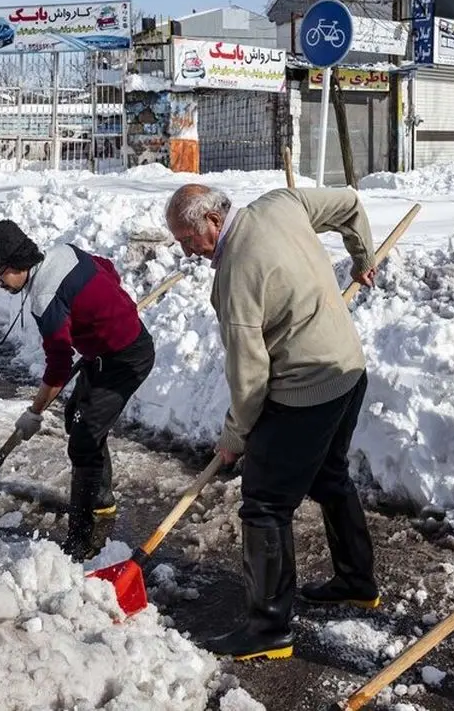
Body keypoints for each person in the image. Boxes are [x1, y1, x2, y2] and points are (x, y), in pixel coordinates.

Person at [163, 184, 380, 662]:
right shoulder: (282, 204)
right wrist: (361, 253)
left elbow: (250, 376)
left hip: (304, 393)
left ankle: (268, 629)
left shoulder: (237, 275)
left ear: (213, 223)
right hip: (347, 372)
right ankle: (357, 580)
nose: (188, 251)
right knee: (328, 476)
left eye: (186, 239)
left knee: (263, 503)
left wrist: (235, 436)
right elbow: (348, 202)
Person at [0, 219, 155, 560]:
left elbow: (58, 366)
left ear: (15, 265)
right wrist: (99, 313)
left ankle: (84, 539)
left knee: (84, 440)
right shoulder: (62, 253)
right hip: (102, 351)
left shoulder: (44, 298)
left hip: (126, 358)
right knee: (76, 417)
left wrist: (34, 412)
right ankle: (101, 498)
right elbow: (107, 269)